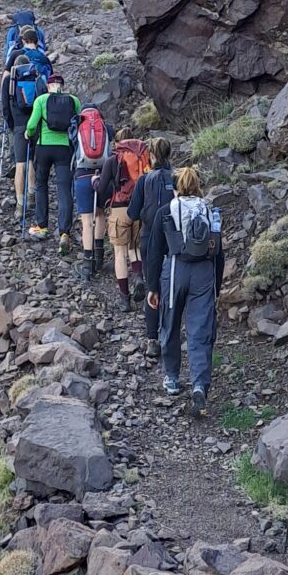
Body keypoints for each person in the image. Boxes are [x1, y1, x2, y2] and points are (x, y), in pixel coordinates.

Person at [159, 165, 224, 417]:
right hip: (204, 273)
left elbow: (155, 248)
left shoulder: (168, 210)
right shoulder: (207, 210)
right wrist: (215, 286)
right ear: (198, 186)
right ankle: (199, 385)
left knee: (171, 323)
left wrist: (153, 285)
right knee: (199, 331)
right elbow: (218, 250)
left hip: (176, 269)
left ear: (176, 187)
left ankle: (172, 377)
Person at [0, 27, 51, 223]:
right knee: (32, 161)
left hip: (19, 126)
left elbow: (5, 106)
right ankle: (31, 194)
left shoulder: (10, 82)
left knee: (20, 163)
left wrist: (11, 124)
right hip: (35, 125)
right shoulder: (36, 78)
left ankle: (20, 205)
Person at [130, 138, 174, 363]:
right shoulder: (177, 178)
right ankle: (173, 331)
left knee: (152, 285)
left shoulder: (145, 180)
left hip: (149, 239)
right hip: (174, 239)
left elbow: (132, 212)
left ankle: (152, 339)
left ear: (151, 156)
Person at [23, 70, 79, 249]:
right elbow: (78, 122)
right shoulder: (74, 100)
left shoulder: (41, 100)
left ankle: (42, 226)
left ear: (49, 86)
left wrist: (28, 133)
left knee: (41, 185)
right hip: (64, 148)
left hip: (44, 147)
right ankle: (64, 232)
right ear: (62, 86)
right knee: (64, 189)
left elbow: (32, 125)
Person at [97, 132, 153, 308]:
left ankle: (124, 299)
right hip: (139, 208)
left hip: (120, 208)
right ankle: (138, 276)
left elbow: (101, 188)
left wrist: (94, 182)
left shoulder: (112, 160)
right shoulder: (142, 157)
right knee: (134, 247)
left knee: (120, 253)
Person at [71, 101, 111, 284]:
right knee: (101, 214)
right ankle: (100, 256)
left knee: (87, 220)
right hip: (103, 174)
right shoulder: (106, 127)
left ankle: (87, 264)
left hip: (82, 176)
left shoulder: (77, 125)